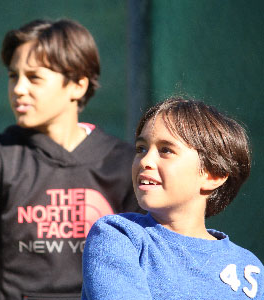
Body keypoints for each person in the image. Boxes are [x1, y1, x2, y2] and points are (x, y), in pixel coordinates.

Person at [0, 18, 141, 300]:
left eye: (34, 77)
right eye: (13, 76)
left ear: (78, 85)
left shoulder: (124, 163)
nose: (19, 88)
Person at [82, 97, 264, 300]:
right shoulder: (118, 236)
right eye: (141, 149)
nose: (145, 161)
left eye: (166, 150)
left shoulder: (249, 268)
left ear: (213, 175)